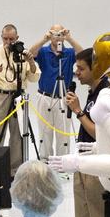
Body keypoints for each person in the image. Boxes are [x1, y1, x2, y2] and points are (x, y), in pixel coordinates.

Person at [64, 48, 107, 217]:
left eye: (81, 69)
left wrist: (78, 112)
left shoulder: (105, 95)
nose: (77, 73)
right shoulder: (92, 92)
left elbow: (99, 133)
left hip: (95, 163)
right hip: (82, 161)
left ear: (95, 69)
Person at [0, 24, 39, 172]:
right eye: (5, 38)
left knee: (18, 134)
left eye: (11, 39)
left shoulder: (24, 53)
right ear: (1, 37)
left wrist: (31, 62)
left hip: (19, 96)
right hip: (0, 95)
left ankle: (15, 170)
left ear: (17, 38)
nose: (8, 42)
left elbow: (34, 77)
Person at [26, 25, 82, 159]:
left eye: (60, 33)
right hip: (45, 96)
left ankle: (63, 160)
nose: (58, 36)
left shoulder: (68, 52)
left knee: (63, 132)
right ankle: (45, 159)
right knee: (45, 131)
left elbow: (83, 55)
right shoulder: (44, 51)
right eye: (55, 33)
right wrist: (44, 39)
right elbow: (30, 53)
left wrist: (69, 38)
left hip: (63, 97)